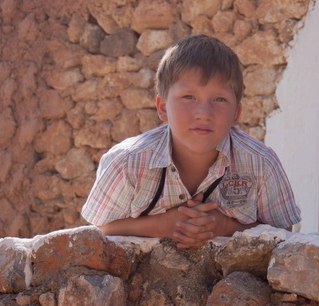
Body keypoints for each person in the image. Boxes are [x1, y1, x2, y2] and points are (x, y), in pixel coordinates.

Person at [81, 34, 301, 248]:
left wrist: (225, 226)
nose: (203, 113)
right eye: (188, 97)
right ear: (162, 107)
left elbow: (283, 232)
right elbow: (99, 229)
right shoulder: (127, 162)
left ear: (236, 113)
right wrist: (161, 225)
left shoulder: (260, 163)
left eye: (219, 99)